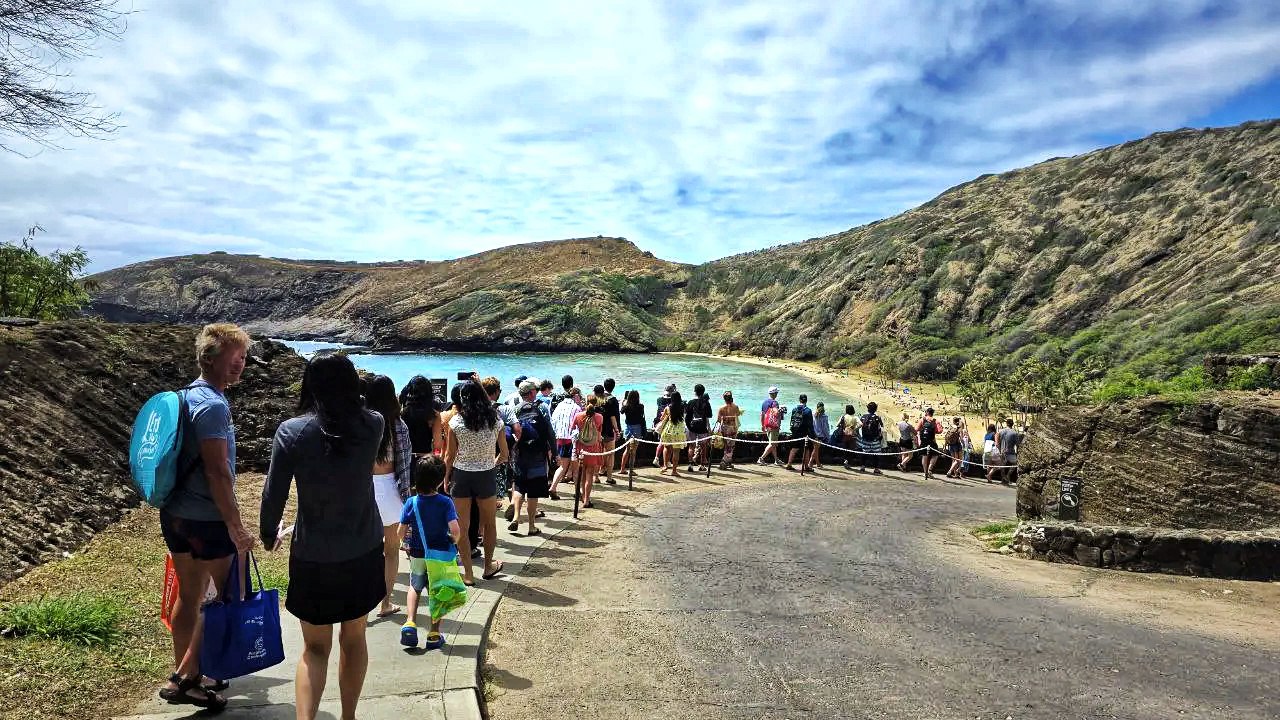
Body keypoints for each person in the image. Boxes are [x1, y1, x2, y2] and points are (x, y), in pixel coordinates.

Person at [260, 352, 385, 720]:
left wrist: (269, 533)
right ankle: (349, 717)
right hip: (362, 548)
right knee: (354, 638)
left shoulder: (292, 432)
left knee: (314, 648)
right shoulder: (373, 425)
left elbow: (274, 493)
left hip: (313, 553)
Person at [158, 323, 252, 711]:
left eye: (244, 358)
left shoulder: (186, 396)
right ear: (209, 358)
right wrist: (235, 525)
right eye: (235, 357)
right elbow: (217, 472)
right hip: (206, 519)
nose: (240, 365)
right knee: (231, 593)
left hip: (176, 513)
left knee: (190, 593)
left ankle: (195, 676)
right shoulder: (213, 405)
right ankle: (186, 675)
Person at [444, 381, 508, 585]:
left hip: (462, 475)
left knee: (462, 526)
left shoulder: (456, 422)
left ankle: (469, 574)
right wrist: (491, 463)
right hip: (486, 475)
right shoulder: (495, 421)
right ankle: (488, 566)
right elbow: (505, 454)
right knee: (489, 524)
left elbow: (449, 455)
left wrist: (446, 477)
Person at [397, 455, 464, 650]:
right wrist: (455, 541)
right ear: (439, 479)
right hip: (440, 554)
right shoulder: (445, 502)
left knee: (414, 586)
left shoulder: (412, 502)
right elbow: (456, 530)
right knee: (438, 590)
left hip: (418, 552)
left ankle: (410, 622)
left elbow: (401, 531)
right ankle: (434, 634)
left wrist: (404, 543)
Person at [364, 375, 413, 619]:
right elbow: (405, 464)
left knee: (364, 549)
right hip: (391, 489)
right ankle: (385, 602)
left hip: (364, 488)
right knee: (391, 551)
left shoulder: (360, 422)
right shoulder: (398, 425)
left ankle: (361, 600)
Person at [509, 380, 554, 535]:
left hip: (520, 454)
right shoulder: (541, 407)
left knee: (520, 486)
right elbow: (549, 431)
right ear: (531, 393)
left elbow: (510, 433)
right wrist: (554, 452)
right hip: (537, 455)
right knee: (533, 492)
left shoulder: (514, 409)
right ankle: (531, 526)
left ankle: (515, 516)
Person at [481, 376, 520, 508]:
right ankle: (511, 502)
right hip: (501, 452)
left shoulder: (476, 409)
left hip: (482, 453)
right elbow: (517, 429)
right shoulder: (505, 409)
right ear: (497, 391)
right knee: (511, 476)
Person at [548, 386, 583, 501]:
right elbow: (579, 425)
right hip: (572, 440)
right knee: (576, 468)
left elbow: (552, 421)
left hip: (559, 439)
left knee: (563, 466)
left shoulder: (559, 406)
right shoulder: (576, 407)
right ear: (576, 396)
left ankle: (553, 487)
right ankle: (578, 492)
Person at [574, 395, 605, 508]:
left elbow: (572, 429)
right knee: (589, 475)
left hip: (581, 448)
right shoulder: (599, 417)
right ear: (596, 404)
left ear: (585, 402)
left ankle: (582, 497)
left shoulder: (578, 416)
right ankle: (587, 499)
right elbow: (599, 433)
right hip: (593, 448)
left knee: (582, 474)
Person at [400, 375, 442, 455]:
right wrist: (436, 456)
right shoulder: (433, 415)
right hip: (425, 459)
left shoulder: (402, 413)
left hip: (406, 458)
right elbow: (437, 445)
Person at [657, 390, 687, 477]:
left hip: (669, 430)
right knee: (676, 451)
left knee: (666, 448)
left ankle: (665, 466)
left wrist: (665, 415)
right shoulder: (682, 407)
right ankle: (674, 470)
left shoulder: (668, 408)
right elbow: (683, 416)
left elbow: (661, 418)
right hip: (679, 431)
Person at [685, 383, 713, 472]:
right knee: (703, 446)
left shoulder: (690, 402)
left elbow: (687, 416)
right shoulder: (706, 403)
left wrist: (688, 426)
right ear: (703, 392)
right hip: (702, 427)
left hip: (692, 426)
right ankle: (702, 465)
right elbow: (709, 415)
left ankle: (690, 464)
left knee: (691, 446)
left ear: (695, 392)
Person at [619, 389, 646, 476]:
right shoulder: (641, 406)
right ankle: (631, 470)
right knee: (633, 451)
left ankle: (622, 468)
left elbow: (621, 411)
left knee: (627, 450)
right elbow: (641, 416)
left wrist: (624, 402)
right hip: (637, 428)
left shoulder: (626, 407)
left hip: (628, 428)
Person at [601, 378, 622, 484]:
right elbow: (614, 417)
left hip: (598, 430)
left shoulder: (598, 397)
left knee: (600, 452)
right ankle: (609, 477)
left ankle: (598, 474)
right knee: (611, 454)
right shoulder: (612, 400)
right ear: (613, 387)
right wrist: (617, 429)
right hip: (609, 430)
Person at [715, 391, 743, 470]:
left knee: (727, 445)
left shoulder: (721, 408)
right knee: (731, 446)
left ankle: (728, 461)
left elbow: (718, 420)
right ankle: (724, 462)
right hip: (733, 428)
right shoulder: (735, 407)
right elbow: (737, 414)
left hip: (724, 427)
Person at [757, 386, 784, 465]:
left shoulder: (764, 402)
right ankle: (761, 458)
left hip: (767, 424)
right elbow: (776, 413)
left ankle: (776, 460)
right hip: (774, 426)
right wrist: (781, 410)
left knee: (773, 443)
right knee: (772, 444)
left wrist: (762, 425)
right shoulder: (775, 403)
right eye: (776, 393)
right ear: (775, 394)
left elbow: (762, 414)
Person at [995, 418, 1025, 485]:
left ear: (1007, 424)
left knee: (1002, 466)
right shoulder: (1014, 433)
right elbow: (1017, 444)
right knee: (1015, 464)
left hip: (1002, 451)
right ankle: (1008, 475)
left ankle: (1003, 478)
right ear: (1012, 424)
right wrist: (1018, 452)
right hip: (1010, 452)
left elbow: (996, 436)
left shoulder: (1002, 431)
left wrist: (999, 447)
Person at [857, 401, 885, 475]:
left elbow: (858, 427)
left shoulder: (863, 417)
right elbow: (881, 429)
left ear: (868, 409)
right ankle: (876, 469)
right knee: (876, 455)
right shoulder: (877, 418)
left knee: (864, 453)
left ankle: (863, 467)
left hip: (865, 439)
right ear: (875, 409)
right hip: (875, 440)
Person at [653, 383, 676, 468]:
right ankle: (664, 461)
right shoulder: (672, 401)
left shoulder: (659, 399)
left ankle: (658, 459)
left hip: (659, 422)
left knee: (662, 441)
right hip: (668, 424)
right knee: (667, 444)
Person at [917, 408, 943, 479]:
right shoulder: (935, 421)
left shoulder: (922, 420)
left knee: (924, 456)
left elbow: (917, 429)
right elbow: (940, 431)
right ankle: (929, 470)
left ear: (927, 412)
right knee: (935, 455)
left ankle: (925, 472)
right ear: (932, 413)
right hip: (932, 440)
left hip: (923, 441)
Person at [835, 404, 859, 469]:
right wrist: (854, 428)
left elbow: (837, 425)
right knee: (851, 449)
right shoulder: (855, 417)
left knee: (845, 448)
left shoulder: (843, 416)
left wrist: (844, 428)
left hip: (844, 435)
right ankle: (848, 462)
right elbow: (861, 424)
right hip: (852, 435)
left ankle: (845, 461)